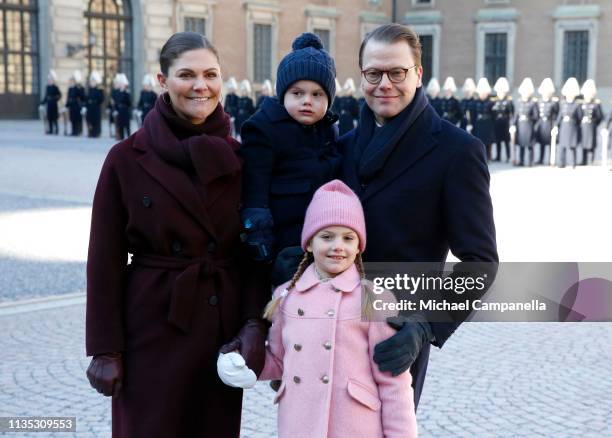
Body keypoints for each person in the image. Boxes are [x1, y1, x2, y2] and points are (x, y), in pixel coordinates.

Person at [85, 31, 269, 438]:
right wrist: (104, 348)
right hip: (150, 326)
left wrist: (255, 324)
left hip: (220, 335)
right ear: (162, 81)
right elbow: (104, 259)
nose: (200, 85)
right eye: (186, 74)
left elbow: (255, 251)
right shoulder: (125, 158)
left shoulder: (243, 159)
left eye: (211, 74)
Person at [340, 23, 498, 409]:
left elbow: (480, 262)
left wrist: (425, 325)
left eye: (397, 72)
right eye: (373, 73)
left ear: (418, 74)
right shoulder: (340, 147)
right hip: (332, 327)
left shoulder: (457, 151)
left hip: (398, 330)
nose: (384, 84)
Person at [220, 180, 417, 438]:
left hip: (356, 426)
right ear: (309, 243)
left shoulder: (374, 298)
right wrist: (246, 362)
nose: (338, 246)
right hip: (298, 423)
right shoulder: (286, 297)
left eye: (348, 238)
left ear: (359, 247)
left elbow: (393, 383)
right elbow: (279, 361)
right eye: (327, 236)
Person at [240, 32, 341, 287]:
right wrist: (258, 234)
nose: (307, 101)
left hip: (322, 237)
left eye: (317, 94)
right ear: (283, 94)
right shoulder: (264, 128)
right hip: (282, 237)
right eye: (298, 93)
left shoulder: (327, 129)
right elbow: (255, 189)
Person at [554, 77, 582, 168]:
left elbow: (579, 117)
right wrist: (555, 126)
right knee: (562, 145)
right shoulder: (563, 103)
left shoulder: (577, 104)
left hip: (572, 126)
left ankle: (573, 163)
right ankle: (561, 163)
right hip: (564, 126)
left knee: (572, 145)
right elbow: (559, 116)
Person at [511, 78, 538, 166]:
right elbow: (515, 115)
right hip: (520, 126)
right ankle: (521, 160)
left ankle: (530, 161)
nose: (525, 94)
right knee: (521, 144)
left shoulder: (533, 103)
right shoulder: (518, 102)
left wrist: (529, 119)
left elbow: (536, 116)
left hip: (529, 126)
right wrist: (512, 124)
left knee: (530, 145)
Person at [579, 79, 604, 166]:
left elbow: (600, 116)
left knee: (591, 143)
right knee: (583, 143)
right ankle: (583, 160)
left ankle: (591, 159)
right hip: (583, 126)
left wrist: (595, 123)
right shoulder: (581, 103)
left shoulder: (596, 104)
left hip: (592, 126)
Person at [535, 78, 559, 165]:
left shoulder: (554, 102)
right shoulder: (539, 101)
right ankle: (541, 159)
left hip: (550, 123)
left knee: (550, 143)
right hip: (542, 124)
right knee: (542, 143)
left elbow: (556, 114)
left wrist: (555, 125)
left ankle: (550, 159)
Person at [472, 77, 495, 161]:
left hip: (488, 123)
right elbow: (473, 114)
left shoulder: (491, 102)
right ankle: (480, 156)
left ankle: (488, 157)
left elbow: (493, 115)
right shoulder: (475, 102)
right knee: (479, 141)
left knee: (488, 142)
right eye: (481, 92)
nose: (483, 94)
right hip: (479, 123)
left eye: (484, 92)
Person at [492, 77, 514, 162]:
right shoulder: (493, 100)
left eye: (503, 91)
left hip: (505, 123)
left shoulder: (509, 100)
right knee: (497, 141)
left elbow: (512, 113)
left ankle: (508, 156)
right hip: (497, 122)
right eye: (499, 91)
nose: (501, 92)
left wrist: (512, 124)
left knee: (506, 141)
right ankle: (498, 156)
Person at [110, 73, 132, 140]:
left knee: (127, 125)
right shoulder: (117, 92)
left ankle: (129, 137)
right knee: (120, 125)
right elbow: (115, 102)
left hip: (125, 110)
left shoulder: (127, 92)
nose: (121, 85)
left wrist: (125, 93)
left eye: (122, 84)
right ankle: (121, 137)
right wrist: (115, 110)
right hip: (119, 110)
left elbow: (129, 103)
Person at [66, 70, 86, 136]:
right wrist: (66, 105)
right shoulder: (70, 88)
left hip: (78, 106)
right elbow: (68, 97)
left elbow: (83, 97)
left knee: (78, 119)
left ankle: (78, 131)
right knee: (72, 119)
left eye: (73, 80)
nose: (72, 82)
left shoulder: (80, 88)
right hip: (72, 105)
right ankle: (73, 131)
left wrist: (83, 106)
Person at [85, 71, 105, 138]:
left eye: (93, 81)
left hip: (96, 107)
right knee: (90, 120)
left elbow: (101, 98)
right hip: (90, 107)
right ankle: (91, 132)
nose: (92, 82)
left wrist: (96, 102)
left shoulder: (99, 89)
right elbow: (87, 98)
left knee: (96, 120)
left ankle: (97, 133)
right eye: (91, 81)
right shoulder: (89, 90)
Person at [41, 70, 61, 135]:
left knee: (55, 118)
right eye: (49, 80)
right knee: (49, 118)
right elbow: (46, 96)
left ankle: (56, 130)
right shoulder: (47, 87)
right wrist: (42, 103)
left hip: (54, 105)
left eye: (51, 79)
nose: (49, 81)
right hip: (49, 105)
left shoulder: (56, 87)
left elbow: (59, 95)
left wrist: (55, 99)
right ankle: (51, 130)